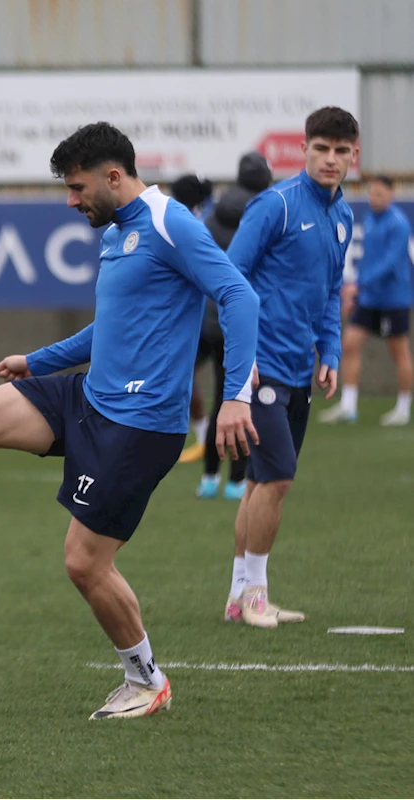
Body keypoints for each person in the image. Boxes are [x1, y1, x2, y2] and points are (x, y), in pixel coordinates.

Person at [0, 122, 260, 719]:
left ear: (114, 176)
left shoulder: (169, 223)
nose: (71, 200)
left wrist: (236, 397)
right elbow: (109, 328)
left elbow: (240, 297)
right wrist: (36, 361)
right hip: (89, 398)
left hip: (140, 426)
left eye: (77, 186)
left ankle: (146, 679)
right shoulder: (116, 229)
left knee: (84, 563)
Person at [223, 106, 359, 628]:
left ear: (353, 157)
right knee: (278, 478)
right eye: (321, 148)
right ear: (303, 149)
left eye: (340, 151)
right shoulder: (274, 205)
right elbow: (230, 279)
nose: (330, 159)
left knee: (260, 482)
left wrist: (331, 350)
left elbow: (329, 292)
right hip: (263, 370)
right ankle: (257, 592)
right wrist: (245, 356)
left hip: (301, 367)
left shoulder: (342, 216)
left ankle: (238, 598)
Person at [196, 151, 273, 500]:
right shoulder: (264, 214)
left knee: (219, 400)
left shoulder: (214, 215)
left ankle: (210, 478)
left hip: (212, 319)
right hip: (243, 323)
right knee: (241, 400)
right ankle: (236, 480)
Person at [319, 175, 413, 426]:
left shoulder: (399, 224)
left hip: (394, 300)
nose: (374, 198)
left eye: (379, 194)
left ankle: (403, 409)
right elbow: (368, 262)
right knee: (350, 344)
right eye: (371, 194)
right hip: (369, 298)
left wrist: (357, 286)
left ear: (391, 195)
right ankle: (348, 406)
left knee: (400, 353)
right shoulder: (369, 219)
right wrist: (357, 292)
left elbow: (389, 264)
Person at [168, 173, 214, 464]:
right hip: (216, 316)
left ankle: (205, 437)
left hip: (199, 319)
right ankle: (206, 437)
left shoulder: (184, 225)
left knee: (182, 375)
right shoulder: (209, 217)